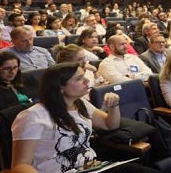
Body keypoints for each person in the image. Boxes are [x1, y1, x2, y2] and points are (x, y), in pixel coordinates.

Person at [11, 63, 154, 173]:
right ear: (60, 87)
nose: (86, 81)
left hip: (92, 167)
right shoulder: (32, 117)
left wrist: (114, 105)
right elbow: (20, 165)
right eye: (79, 79)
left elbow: (111, 125)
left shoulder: (80, 104)